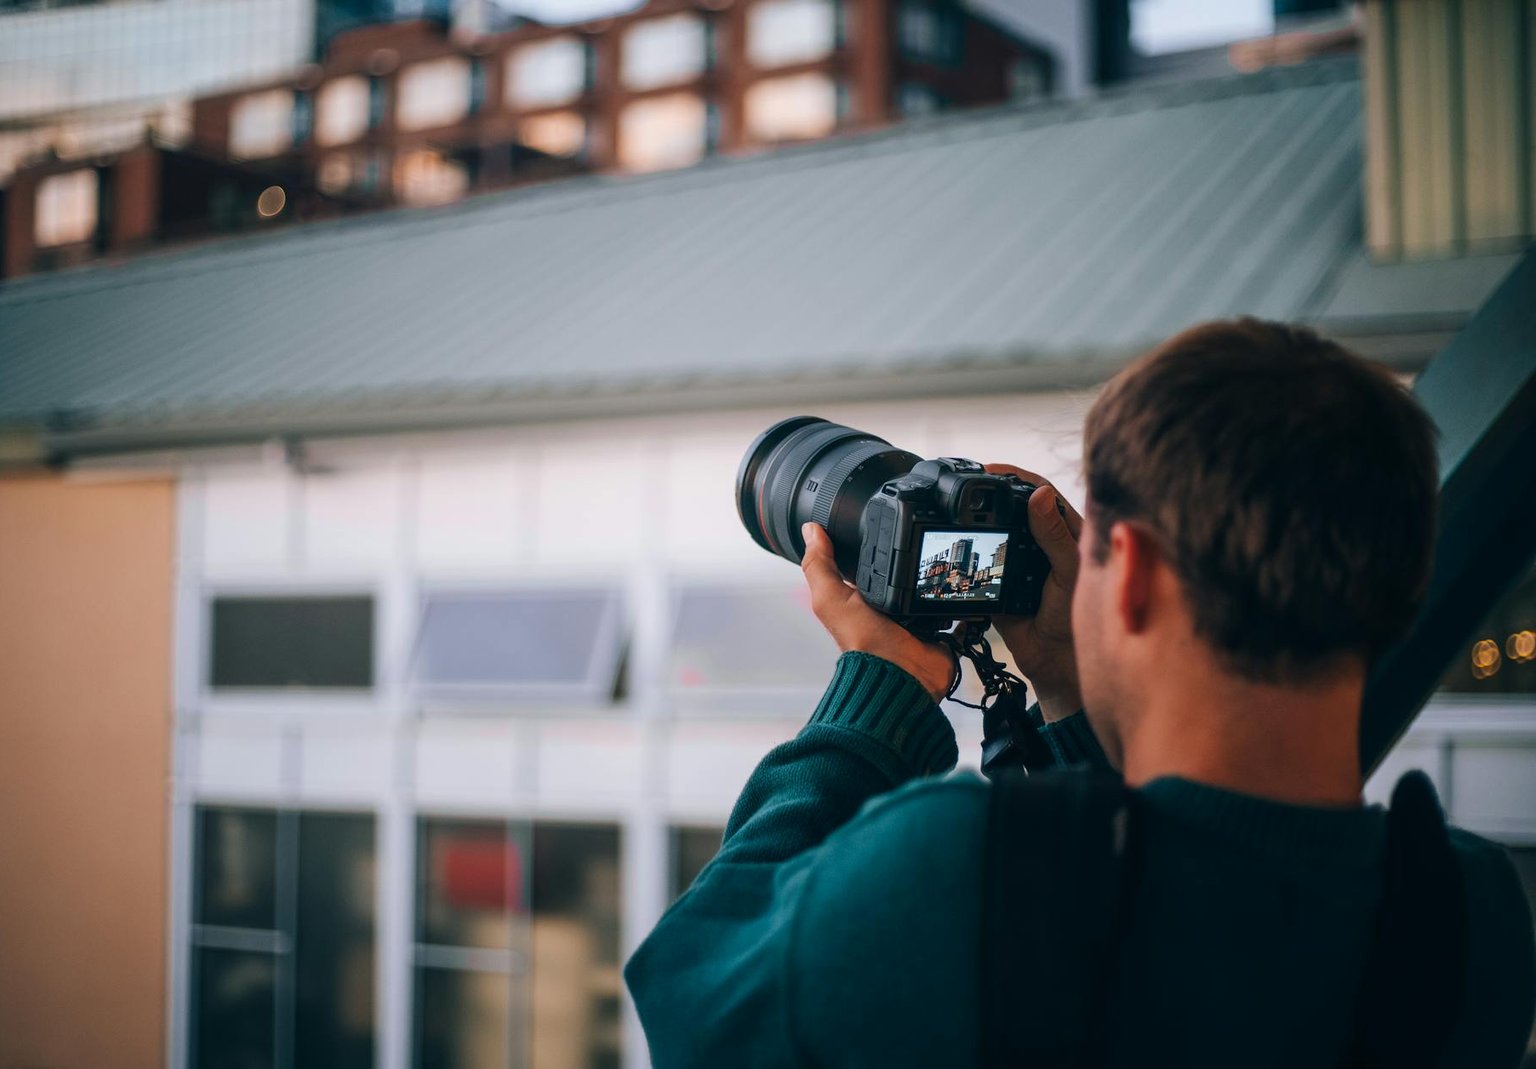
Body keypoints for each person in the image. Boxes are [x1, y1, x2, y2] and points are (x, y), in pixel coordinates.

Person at [624, 319, 1536, 1067]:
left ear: (1130, 574)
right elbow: (1185, 883)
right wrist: (1069, 690)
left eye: (1093, 544)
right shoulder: (1469, 914)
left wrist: (875, 699)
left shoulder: (954, 869)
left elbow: (688, 995)